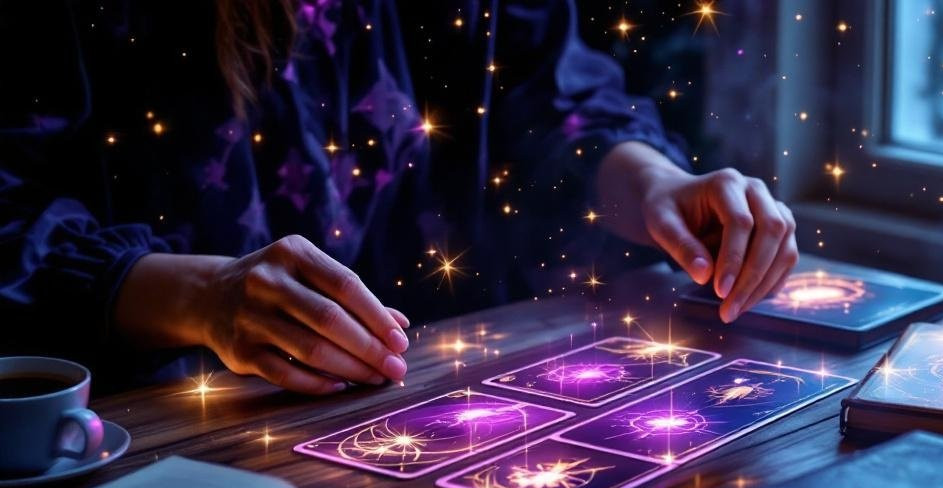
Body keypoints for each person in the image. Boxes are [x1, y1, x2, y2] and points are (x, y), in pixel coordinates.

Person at [0, 1, 798, 394]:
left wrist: (655, 183)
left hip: (427, 390)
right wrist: (202, 298)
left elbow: (539, 89)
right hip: (156, 438)